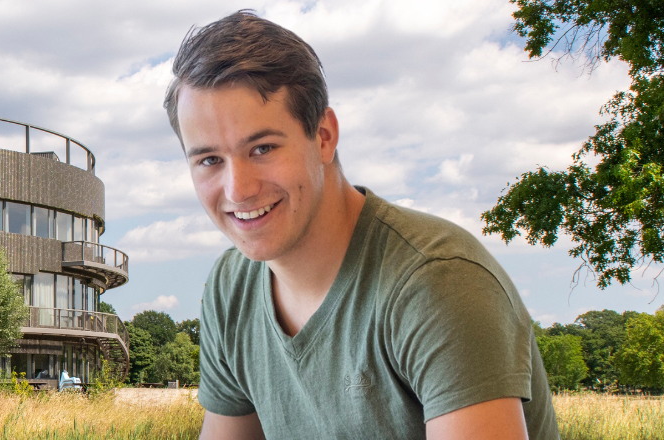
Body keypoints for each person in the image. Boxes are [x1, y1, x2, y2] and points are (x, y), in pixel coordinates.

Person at [170, 11, 559, 440]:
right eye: (209, 160)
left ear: (323, 137)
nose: (238, 189)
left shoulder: (435, 282)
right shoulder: (232, 287)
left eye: (262, 148)